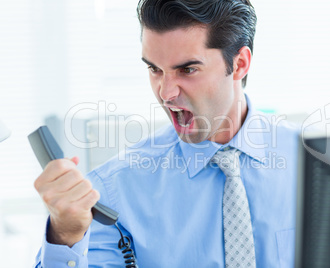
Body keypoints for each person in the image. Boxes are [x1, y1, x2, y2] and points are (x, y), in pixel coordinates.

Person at [34, 0, 299, 267]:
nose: (165, 92)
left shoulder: (317, 164)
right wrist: (65, 234)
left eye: (188, 69)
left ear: (239, 64)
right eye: (155, 69)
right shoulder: (112, 191)